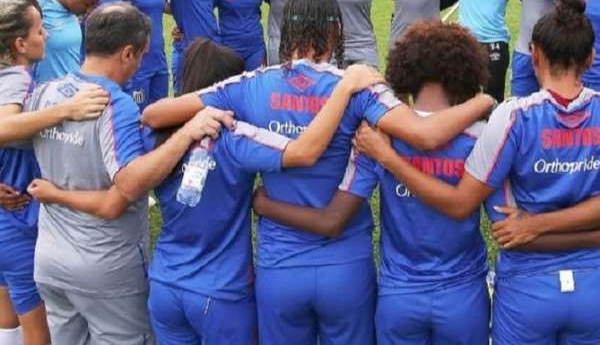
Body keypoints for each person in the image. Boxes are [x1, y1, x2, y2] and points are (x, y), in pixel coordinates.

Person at [350, 0, 600, 345]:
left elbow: (471, 209)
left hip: (527, 290)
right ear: (592, 57)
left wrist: (536, 224)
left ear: (535, 54)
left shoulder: (512, 117)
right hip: (597, 288)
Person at [141, 0, 497, 345]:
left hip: (279, 269)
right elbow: (425, 135)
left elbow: (154, 114)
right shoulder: (358, 86)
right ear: (337, 31)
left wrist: (201, 121)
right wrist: (482, 104)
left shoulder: (251, 84)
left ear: (285, 30)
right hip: (345, 267)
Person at [29, 37, 384, 344]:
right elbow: (303, 151)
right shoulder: (234, 137)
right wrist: (344, 92)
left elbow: (122, 182)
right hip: (221, 292)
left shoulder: (151, 137)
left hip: (166, 285)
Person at [24, 2, 231, 344]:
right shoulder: (113, 104)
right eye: (141, 56)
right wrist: (186, 133)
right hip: (104, 267)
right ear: (127, 53)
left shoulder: (45, 94)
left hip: (49, 260)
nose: (139, 66)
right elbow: (129, 183)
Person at [0, 0, 109, 345]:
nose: (46, 35)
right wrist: (66, 110)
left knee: (8, 309)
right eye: (39, 29)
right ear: (20, 43)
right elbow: (4, 128)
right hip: (16, 219)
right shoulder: (15, 78)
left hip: (8, 216)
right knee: (37, 325)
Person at [33, 0, 107, 82]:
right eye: (87, 5)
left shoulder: (73, 14)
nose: (89, 11)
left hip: (72, 91)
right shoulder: (39, 8)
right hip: (46, 95)